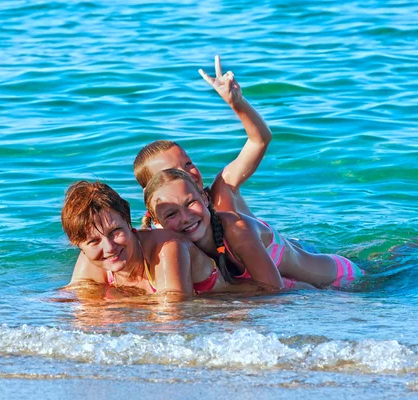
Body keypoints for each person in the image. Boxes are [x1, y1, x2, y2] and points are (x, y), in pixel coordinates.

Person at [61, 180, 286, 299]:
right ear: (78, 245)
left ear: (129, 224)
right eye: (93, 242)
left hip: (261, 298)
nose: (109, 247)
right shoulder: (90, 258)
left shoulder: (168, 248)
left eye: (115, 232)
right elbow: (76, 304)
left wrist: (112, 304)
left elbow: (175, 314)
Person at [143, 169, 364, 289]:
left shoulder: (238, 230)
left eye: (190, 203)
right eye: (171, 214)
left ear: (205, 197)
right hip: (310, 290)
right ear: (157, 222)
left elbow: (272, 291)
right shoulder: (172, 248)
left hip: (340, 279)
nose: (185, 217)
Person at [134, 55, 271, 218]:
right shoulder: (164, 229)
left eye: (188, 163)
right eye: (172, 171)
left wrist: (237, 103)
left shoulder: (222, 191)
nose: (187, 173)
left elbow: (260, 140)